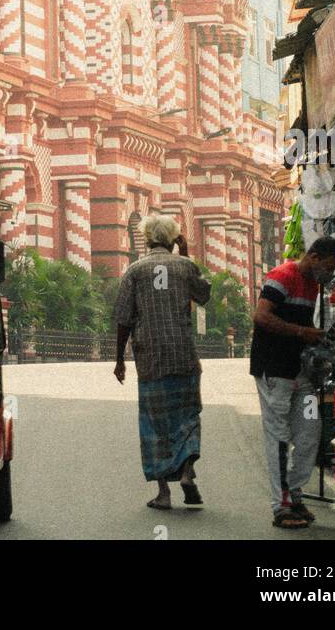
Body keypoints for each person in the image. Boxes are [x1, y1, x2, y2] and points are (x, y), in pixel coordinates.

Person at [113, 214, 211, 511]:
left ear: (146, 238)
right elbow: (203, 295)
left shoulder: (134, 271)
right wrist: (187, 254)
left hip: (150, 360)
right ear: (172, 239)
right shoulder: (184, 266)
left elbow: (123, 319)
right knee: (188, 416)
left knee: (155, 424)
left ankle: (163, 494)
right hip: (183, 356)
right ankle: (187, 473)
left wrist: (119, 360)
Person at [249, 236, 335, 530]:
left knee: (309, 431)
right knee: (278, 436)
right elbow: (261, 316)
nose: (327, 275)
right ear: (313, 256)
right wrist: (303, 332)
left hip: (297, 371)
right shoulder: (282, 277)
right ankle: (281, 506)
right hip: (274, 369)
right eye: (326, 267)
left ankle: (295, 493)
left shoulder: (312, 285)